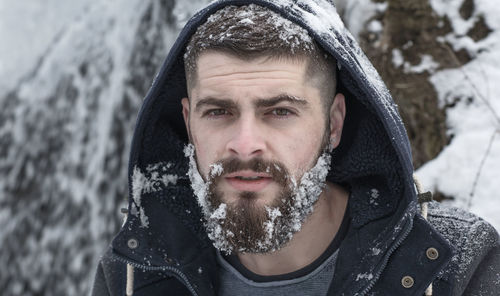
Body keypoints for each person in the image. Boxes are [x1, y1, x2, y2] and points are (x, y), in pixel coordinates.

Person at [91, 1, 499, 295]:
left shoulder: (453, 267)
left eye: (280, 111)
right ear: (188, 123)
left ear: (333, 124)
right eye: (218, 111)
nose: (245, 143)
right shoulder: (132, 274)